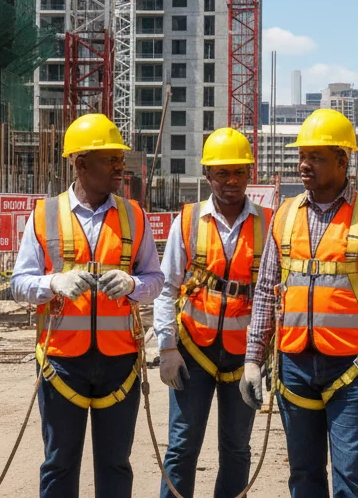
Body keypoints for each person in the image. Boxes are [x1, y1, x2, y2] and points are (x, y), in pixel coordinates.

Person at [241, 108, 358, 498]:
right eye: (302, 155)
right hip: (294, 364)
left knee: (351, 475)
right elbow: (266, 291)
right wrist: (252, 359)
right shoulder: (285, 215)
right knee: (303, 474)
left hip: (351, 368)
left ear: (342, 161)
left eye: (316, 157)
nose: (304, 164)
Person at [10, 113, 162, 498]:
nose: (120, 167)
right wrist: (53, 283)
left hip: (120, 361)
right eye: (110, 159)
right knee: (59, 463)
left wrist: (133, 284)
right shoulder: (44, 215)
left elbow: (155, 280)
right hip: (62, 361)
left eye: (119, 159)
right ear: (80, 164)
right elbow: (19, 284)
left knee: (115, 464)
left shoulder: (134, 216)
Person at [153, 128, 271, 498]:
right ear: (208, 175)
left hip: (244, 357)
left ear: (249, 173)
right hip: (193, 351)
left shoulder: (268, 224)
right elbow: (167, 287)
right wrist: (167, 348)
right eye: (222, 173)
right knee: (182, 446)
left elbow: (275, 295)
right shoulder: (189, 221)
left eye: (239, 172)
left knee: (236, 448)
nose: (231, 181)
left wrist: (264, 357)